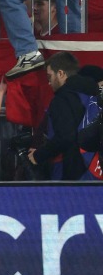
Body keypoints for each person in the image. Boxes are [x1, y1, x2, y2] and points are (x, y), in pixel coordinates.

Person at [29, 52, 101, 181]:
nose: (49, 82)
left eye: (49, 76)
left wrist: (38, 156)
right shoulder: (94, 93)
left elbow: (65, 137)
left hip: (71, 170)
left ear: (61, 73)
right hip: (96, 167)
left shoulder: (62, 99)